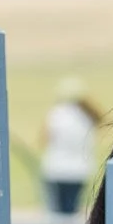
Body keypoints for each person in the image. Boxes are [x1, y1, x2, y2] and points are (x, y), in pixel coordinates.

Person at [41, 78, 100, 216]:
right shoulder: (88, 116)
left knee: (57, 214)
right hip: (79, 171)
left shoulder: (57, 114)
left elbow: (45, 138)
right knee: (71, 210)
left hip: (56, 170)